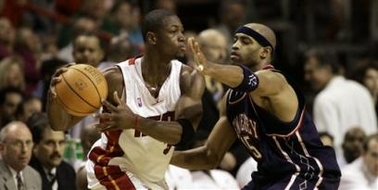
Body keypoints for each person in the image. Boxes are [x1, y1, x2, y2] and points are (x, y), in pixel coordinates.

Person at [47, 9, 205, 189]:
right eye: (173, 31)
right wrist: (54, 98)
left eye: (182, 31)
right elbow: (61, 125)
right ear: (152, 38)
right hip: (111, 168)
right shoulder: (116, 79)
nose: (181, 37)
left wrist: (135, 121)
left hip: (151, 176)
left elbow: (184, 135)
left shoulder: (189, 78)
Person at [171, 23, 341, 189]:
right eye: (236, 39)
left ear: (264, 52)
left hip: (306, 173)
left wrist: (209, 68)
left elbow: (249, 79)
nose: (236, 45)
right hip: (268, 177)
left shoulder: (276, 81)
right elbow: (209, 156)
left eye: (246, 41)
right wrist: (163, 157)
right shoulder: (231, 98)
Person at [303, 49, 377, 155]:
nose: (307, 77)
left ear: (327, 69)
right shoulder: (361, 90)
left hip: (343, 169)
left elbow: (328, 148)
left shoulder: (324, 99)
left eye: (310, 71)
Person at [27, 112, 76, 190]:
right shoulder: (25, 174)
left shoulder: (68, 172)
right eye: (50, 143)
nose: (57, 149)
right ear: (35, 146)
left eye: (61, 143)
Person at [0, 121, 42, 190]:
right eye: (17, 144)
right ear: (2, 148)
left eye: (28, 143)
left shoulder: (34, 176)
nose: (24, 150)